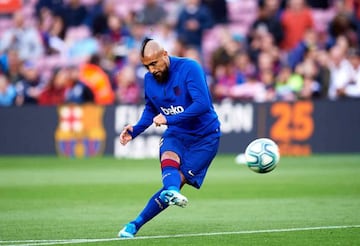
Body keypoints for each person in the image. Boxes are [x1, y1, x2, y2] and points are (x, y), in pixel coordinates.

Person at [118, 38, 221, 238]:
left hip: (205, 137)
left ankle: (138, 220)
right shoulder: (149, 80)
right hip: (177, 132)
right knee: (169, 158)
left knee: (178, 179)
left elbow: (202, 104)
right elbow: (151, 108)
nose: (151, 70)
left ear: (165, 54)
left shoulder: (190, 68)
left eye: (154, 63)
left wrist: (169, 118)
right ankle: (138, 221)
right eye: (146, 66)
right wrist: (136, 130)